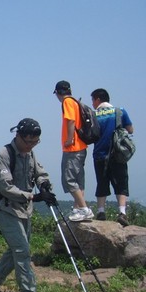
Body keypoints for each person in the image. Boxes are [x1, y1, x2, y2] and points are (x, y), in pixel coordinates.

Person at [0, 118, 55, 292]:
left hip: (25, 210)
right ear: (18, 136)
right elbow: (5, 187)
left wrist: (44, 184)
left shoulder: (30, 154)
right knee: (22, 250)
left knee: (18, 249)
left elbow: (39, 173)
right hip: (6, 208)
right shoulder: (4, 155)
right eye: (28, 141)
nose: (30, 145)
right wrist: (32, 197)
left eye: (35, 142)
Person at [90, 88, 134, 227]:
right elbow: (130, 130)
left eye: (93, 100)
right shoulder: (119, 111)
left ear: (97, 99)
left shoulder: (94, 115)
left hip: (99, 154)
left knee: (101, 182)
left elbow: (91, 135)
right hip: (117, 154)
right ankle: (122, 213)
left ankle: (101, 212)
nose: (92, 103)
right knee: (121, 183)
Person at [53, 80, 94, 222]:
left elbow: (70, 121)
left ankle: (83, 209)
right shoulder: (76, 101)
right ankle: (78, 209)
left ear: (58, 92)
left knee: (69, 180)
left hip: (73, 147)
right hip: (81, 146)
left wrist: (69, 139)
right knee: (78, 179)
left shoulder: (67, 102)